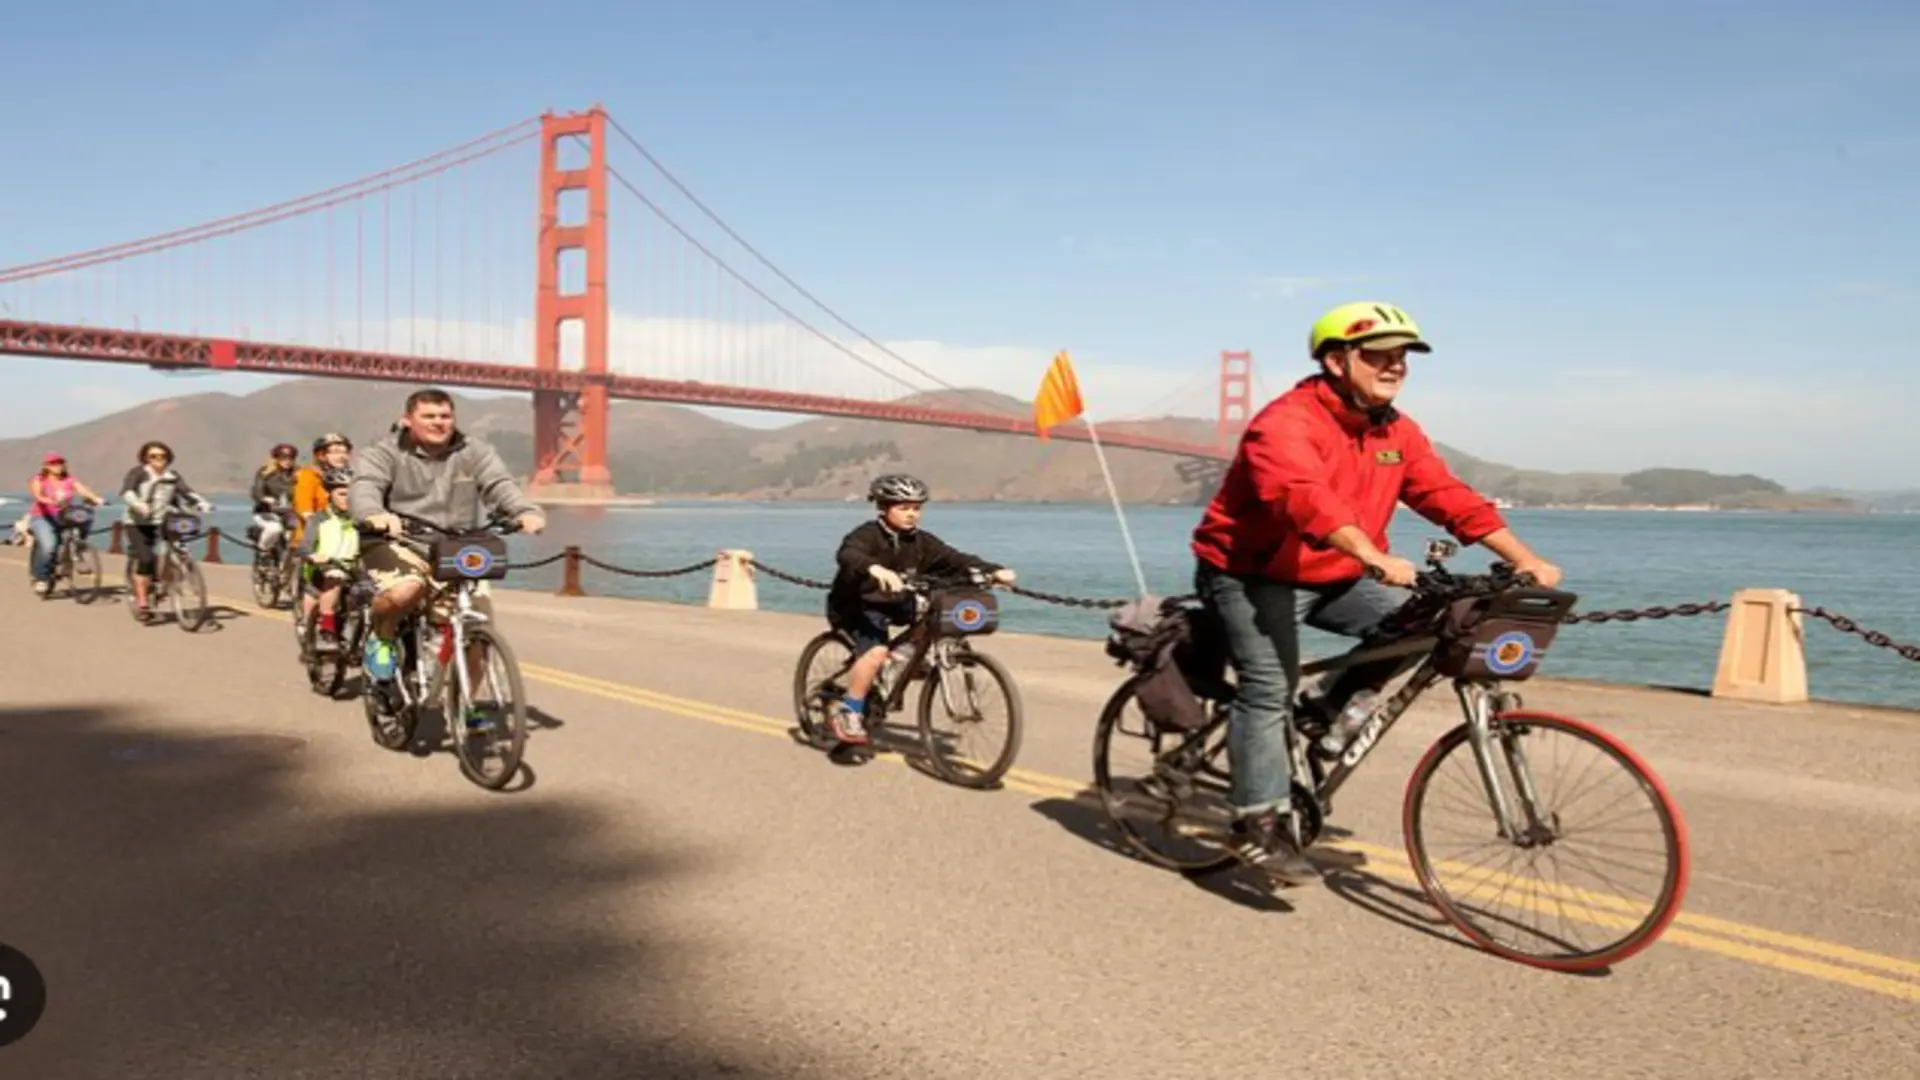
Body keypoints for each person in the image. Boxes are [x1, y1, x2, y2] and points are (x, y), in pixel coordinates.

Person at [1189, 301, 1564, 888]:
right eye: (1379, 356)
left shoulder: (1395, 430)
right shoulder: (1286, 422)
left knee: (1426, 623)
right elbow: (1301, 493)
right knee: (1268, 686)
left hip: (1333, 573)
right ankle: (1255, 823)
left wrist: (1525, 560)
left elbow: (1445, 493)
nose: (1395, 367)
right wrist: (1370, 554)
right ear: (1337, 361)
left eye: (1403, 357)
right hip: (1251, 575)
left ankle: (1323, 712)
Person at [348, 387, 545, 693]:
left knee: (477, 628)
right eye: (428, 416)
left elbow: (498, 484)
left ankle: (466, 712)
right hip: (398, 541)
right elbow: (366, 486)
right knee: (405, 591)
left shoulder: (474, 450)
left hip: (457, 546)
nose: (438, 422)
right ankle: (382, 636)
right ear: (408, 420)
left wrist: (524, 511)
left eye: (445, 416)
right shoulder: (384, 452)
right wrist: (374, 513)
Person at [821, 473, 1017, 747]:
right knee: (876, 652)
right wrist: (874, 568)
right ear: (884, 507)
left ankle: (895, 668)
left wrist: (993, 570)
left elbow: (955, 559)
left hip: (899, 602)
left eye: (916, 508)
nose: (912, 514)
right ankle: (850, 710)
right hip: (858, 605)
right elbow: (849, 554)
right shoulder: (866, 535)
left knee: (931, 626)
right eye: (903, 508)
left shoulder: (922, 542)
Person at [119, 441, 214, 621]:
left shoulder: (172, 476)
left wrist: (202, 503)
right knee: (146, 558)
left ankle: (166, 580)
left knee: (169, 550)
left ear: (168, 458)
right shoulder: (139, 473)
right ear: (146, 458)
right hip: (138, 522)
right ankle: (142, 601)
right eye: (153, 456)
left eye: (162, 456)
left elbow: (187, 492)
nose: (158, 460)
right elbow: (127, 492)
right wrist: (138, 504)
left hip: (163, 521)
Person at [297, 467, 360, 654]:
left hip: (354, 568)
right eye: (341, 494)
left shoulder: (361, 519)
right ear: (330, 494)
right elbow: (304, 546)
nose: (347, 499)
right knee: (333, 582)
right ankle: (326, 631)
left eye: (352, 494)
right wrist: (314, 556)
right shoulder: (319, 519)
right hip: (323, 568)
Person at [25, 453, 106, 593]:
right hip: (42, 517)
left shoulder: (69, 480)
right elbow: (37, 494)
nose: (57, 466)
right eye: (53, 463)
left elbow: (82, 490)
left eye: (60, 463)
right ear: (46, 466)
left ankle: (77, 550)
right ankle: (42, 578)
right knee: (49, 545)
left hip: (63, 516)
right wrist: (49, 501)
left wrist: (96, 499)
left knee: (84, 519)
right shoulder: (40, 479)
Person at [292, 433, 352, 547]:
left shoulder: (352, 476)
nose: (342, 456)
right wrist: (310, 517)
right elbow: (303, 504)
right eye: (335, 452)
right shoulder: (309, 475)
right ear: (321, 455)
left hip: (346, 534)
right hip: (313, 537)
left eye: (345, 452)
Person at [249, 443, 299, 556]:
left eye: (291, 458)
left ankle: (287, 564)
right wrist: (263, 498)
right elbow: (257, 489)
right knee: (274, 529)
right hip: (266, 511)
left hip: (288, 512)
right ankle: (262, 549)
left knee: (295, 534)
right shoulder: (265, 472)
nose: (287, 461)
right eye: (283, 458)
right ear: (276, 458)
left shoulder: (298, 473)